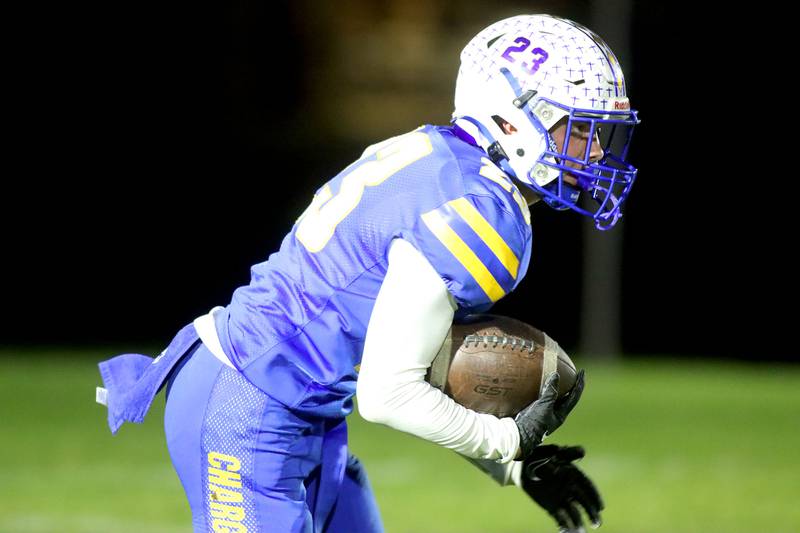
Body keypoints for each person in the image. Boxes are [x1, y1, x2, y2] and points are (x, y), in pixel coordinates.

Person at [96, 13, 639, 533]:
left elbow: (422, 367)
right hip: (249, 405)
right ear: (512, 119)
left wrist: (514, 465)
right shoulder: (476, 208)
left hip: (296, 409)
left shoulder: (440, 160)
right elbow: (388, 394)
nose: (594, 152)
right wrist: (504, 442)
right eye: (578, 130)